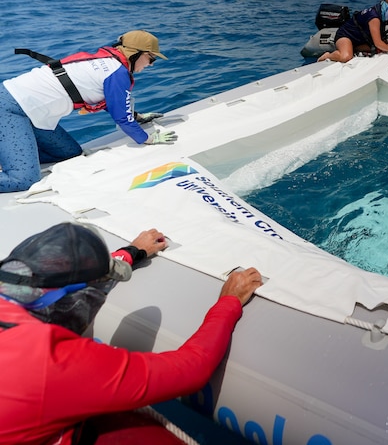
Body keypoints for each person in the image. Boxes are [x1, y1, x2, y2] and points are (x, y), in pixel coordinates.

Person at [0, 222, 263, 444]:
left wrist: (132, 252)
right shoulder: (53, 360)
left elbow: (58, 282)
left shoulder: (16, 289)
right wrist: (229, 302)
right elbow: (192, 368)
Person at [0, 30, 178, 194]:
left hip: (28, 112)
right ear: (136, 53)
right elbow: (122, 117)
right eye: (151, 58)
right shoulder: (118, 73)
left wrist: (136, 117)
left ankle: (10, 154)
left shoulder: (107, 62)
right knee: (24, 180)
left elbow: (113, 103)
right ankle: (14, 159)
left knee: (69, 153)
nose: (151, 64)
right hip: (10, 109)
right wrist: (148, 139)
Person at [317, 0, 388, 63]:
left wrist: (387, 46)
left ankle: (353, 48)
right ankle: (328, 55)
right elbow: (378, 43)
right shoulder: (374, 18)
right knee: (346, 57)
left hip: (358, 40)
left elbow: (380, 38)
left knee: (378, 50)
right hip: (345, 36)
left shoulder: (379, 16)